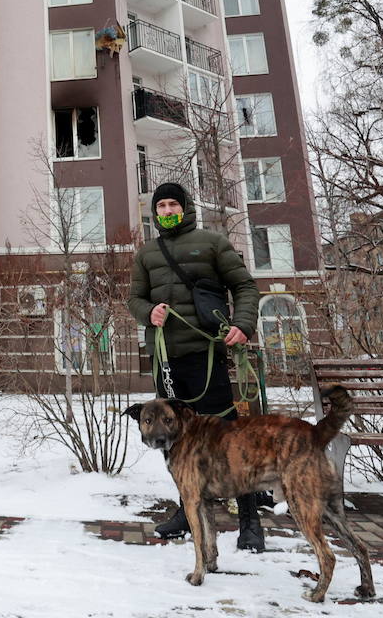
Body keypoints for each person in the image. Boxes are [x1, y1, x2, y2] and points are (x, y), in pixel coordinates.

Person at [128, 181, 264, 551]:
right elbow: (134, 299)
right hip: (166, 361)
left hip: (206, 357)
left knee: (230, 440)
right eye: (162, 206)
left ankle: (250, 520)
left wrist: (243, 324)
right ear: (154, 213)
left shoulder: (212, 243)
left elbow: (245, 287)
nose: (168, 211)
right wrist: (147, 311)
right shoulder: (147, 253)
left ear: (185, 207)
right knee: (177, 445)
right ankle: (187, 512)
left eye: (174, 204)